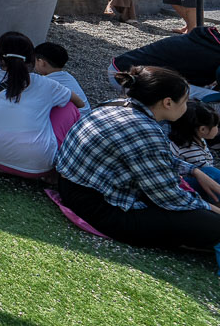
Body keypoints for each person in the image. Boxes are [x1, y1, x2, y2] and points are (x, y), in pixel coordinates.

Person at [55, 65, 220, 270]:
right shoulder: (145, 128)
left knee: (205, 178)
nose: (187, 106)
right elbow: (169, 197)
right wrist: (212, 210)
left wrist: (195, 171)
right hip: (103, 207)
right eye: (185, 101)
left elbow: (154, 158)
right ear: (167, 103)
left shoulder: (116, 105)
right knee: (213, 224)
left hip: (75, 187)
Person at [0, 32, 84, 179]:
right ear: (31, 58)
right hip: (38, 166)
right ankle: (58, 170)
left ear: (0, 55)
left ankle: (5, 165)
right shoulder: (46, 84)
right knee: (67, 107)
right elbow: (79, 103)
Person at [111, 26, 220, 102]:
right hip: (131, 78)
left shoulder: (209, 39)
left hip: (121, 66)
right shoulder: (213, 50)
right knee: (214, 98)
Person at [169, 101, 220, 194]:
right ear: (203, 129)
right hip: (188, 185)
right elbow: (209, 173)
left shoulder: (194, 138)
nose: (217, 128)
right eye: (215, 125)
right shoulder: (191, 150)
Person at [34, 41, 91, 116]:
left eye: (34, 60)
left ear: (41, 62)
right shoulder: (67, 77)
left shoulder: (46, 82)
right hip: (85, 117)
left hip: (73, 122)